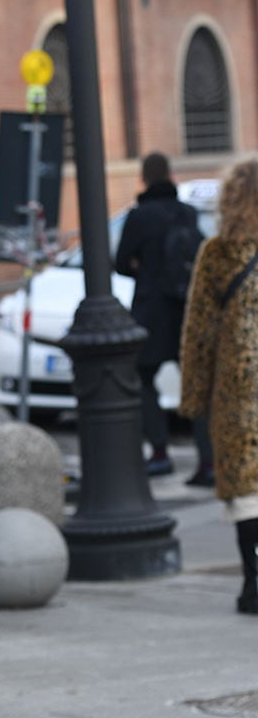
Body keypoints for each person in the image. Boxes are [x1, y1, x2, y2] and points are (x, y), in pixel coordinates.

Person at [180, 157, 258, 614]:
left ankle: (252, 585)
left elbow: (199, 332)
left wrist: (193, 397)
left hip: (237, 393)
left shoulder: (217, 254)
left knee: (247, 491)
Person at [116, 152, 210, 481]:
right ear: (170, 175)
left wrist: (142, 266)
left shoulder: (139, 216)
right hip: (187, 311)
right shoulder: (188, 213)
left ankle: (158, 453)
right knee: (195, 384)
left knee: (143, 379)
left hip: (151, 312)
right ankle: (208, 463)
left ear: (144, 178)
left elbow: (120, 261)